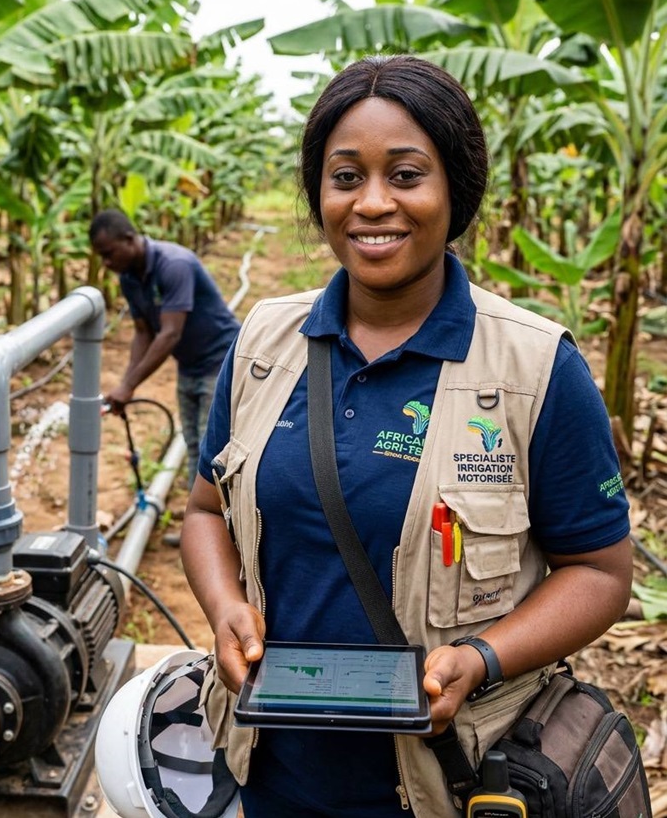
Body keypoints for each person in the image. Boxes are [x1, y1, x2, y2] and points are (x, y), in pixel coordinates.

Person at [179, 55, 632, 817]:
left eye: (407, 175)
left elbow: (601, 572)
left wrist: (483, 659)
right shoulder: (263, 343)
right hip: (275, 771)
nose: (373, 204)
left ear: (456, 189)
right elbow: (201, 513)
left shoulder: (533, 367)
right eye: (346, 177)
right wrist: (225, 606)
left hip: (458, 781)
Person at [89, 210, 241, 512]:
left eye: (108, 254)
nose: (106, 263)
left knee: (216, 451)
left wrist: (129, 385)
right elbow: (144, 332)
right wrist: (125, 385)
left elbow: (170, 333)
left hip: (221, 363)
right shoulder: (129, 279)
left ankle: (225, 528)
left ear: (129, 239)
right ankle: (200, 518)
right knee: (195, 445)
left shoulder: (174, 264)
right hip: (189, 366)